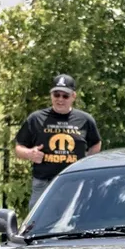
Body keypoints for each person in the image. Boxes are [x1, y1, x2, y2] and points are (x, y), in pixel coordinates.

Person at [15, 74, 102, 210]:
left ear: (73, 96)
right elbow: (19, 147)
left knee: (74, 222)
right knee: (37, 224)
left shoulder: (85, 120)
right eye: (56, 95)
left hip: (75, 182)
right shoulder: (36, 118)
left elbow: (96, 143)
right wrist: (29, 154)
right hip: (44, 183)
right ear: (51, 95)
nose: (60, 99)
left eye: (65, 96)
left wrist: (86, 162)